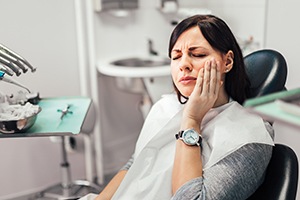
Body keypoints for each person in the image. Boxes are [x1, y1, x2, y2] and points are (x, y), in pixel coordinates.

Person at [82, 14, 274, 200]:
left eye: (198, 54)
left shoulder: (250, 137)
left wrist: (192, 120)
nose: (184, 65)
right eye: (176, 57)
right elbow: (136, 164)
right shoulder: (165, 107)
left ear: (228, 62)